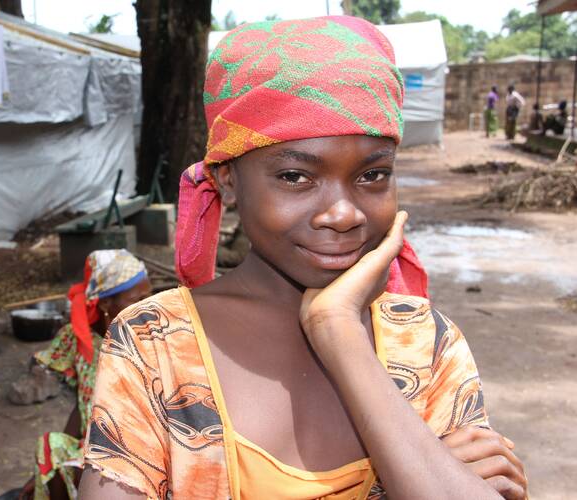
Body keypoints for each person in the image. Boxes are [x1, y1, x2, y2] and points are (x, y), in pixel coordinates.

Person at [76, 17, 527, 500]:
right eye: (295, 177)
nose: (343, 213)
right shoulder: (155, 344)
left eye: (373, 175)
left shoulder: (428, 343)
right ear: (227, 179)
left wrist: (338, 330)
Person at [16, 250, 152, 500]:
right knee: (50, 450)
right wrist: (44, 472)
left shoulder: (152, 339)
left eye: (148, 296)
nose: (147, 305)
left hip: (137, 450)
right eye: (136, 298)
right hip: (91, 447)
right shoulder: (80, 341)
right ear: (104, 304)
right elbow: (82, 405)